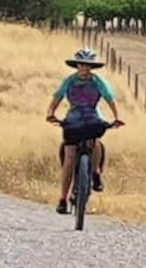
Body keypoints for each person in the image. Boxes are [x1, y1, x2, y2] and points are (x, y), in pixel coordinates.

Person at [45, 48, 122, 215]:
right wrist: (50, 113)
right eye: (82, 65)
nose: (84, 68)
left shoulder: (98, 82)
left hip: (93, 115)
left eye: (88, 65)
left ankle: (95, 172)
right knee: (69, 157)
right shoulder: (69, 81)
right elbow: (57, 98)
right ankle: (62, 199)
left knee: (96, 140)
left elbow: (110, 99)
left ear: (92, 67)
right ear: (77, 65)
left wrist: (117, 117)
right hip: (74, 117)